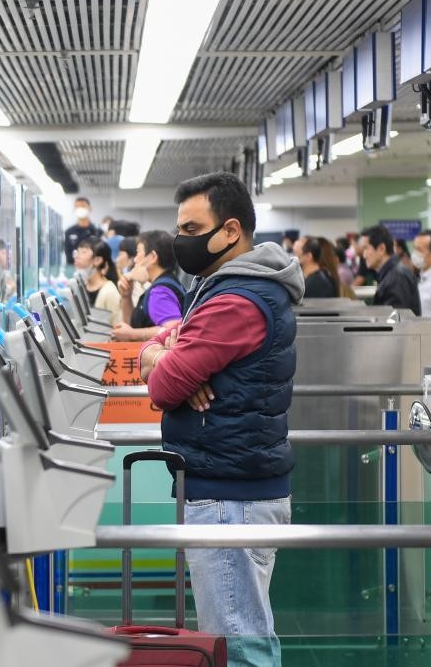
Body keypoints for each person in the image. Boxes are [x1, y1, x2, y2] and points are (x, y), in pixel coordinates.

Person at [139, 172, 303, 667]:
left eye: (192, 229)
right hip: (230, 487)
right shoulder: (222, 289)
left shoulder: (235, 300)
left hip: (231, 497)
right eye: (179, 230)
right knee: (239, 635)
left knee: (239, 647)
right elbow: (162, 345)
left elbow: (163, 387)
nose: (181, 241)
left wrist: (169, 363)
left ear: (231, 231)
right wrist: (165, 353)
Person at [112, 230, 187, 341]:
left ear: (153, 257)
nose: (135, 260)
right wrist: (126, 296)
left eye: (138, 253)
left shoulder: (160, 291)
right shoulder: (170, 282)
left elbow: (173, 330)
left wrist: (133, 334)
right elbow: (131, 325)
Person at [359, 225, 421, 315]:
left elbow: (395, 319)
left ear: (381, 249)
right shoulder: (390, 274)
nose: (364, 256)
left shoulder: (397, 277)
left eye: (366, 248)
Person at [73, 237, 121, 324]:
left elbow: (116, 326)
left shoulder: (110, 292)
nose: (77, 256)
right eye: (78, 251)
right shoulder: (80, 286)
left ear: (97, 260)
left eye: (83, 252)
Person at [63, 196, 102, 266]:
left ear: (90, 208)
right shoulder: (69, 232)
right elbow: (68, 254)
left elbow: (100, 252)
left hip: (93, 267)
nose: (80, 209)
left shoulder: (97, 231)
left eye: (83, 206)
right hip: (75, 267)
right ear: (74, 209)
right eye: (77, 206)